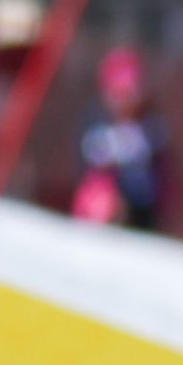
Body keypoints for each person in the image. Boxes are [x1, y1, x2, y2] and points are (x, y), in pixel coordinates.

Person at [70, 45, 171, 228]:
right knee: (100, 195)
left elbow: (159, 181)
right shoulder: (95, 126)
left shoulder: (151, 128)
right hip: (104, 214)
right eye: (119, 94)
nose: (125, 101)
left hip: (143, 215)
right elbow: (90, 164)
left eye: (130, 93)